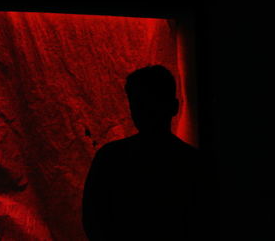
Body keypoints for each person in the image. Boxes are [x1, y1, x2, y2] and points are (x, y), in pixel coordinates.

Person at [82, 65, 202, 241]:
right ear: (175, 107)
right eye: (140, 105)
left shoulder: (111, 158)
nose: (146, 112)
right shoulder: (193, 163)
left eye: (150, 104)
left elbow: (93, 220)